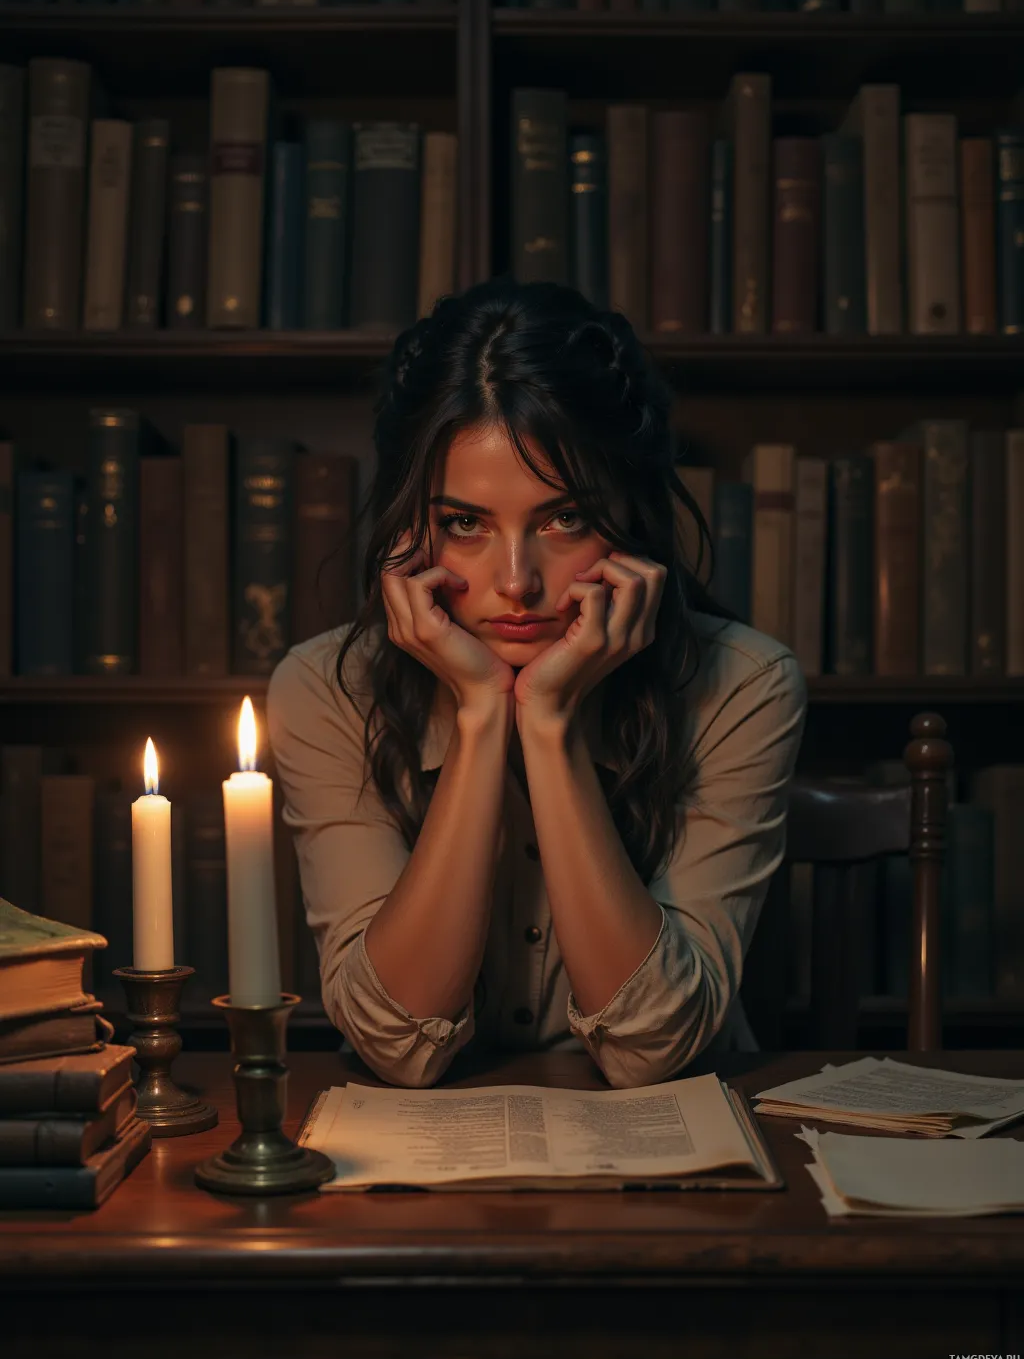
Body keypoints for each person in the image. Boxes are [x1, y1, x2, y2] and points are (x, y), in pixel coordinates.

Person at [267, 275, 807, 1091]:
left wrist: (550, 722)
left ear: (630, 517)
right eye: (465, 524)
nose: (517, 583)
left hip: (670, 1142)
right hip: (425, 1148)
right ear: (409, 531)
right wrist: (482, 714)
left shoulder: (746, 685)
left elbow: (651, 1048)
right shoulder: (326, 690)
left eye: (565, 519)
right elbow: (398, 1045)